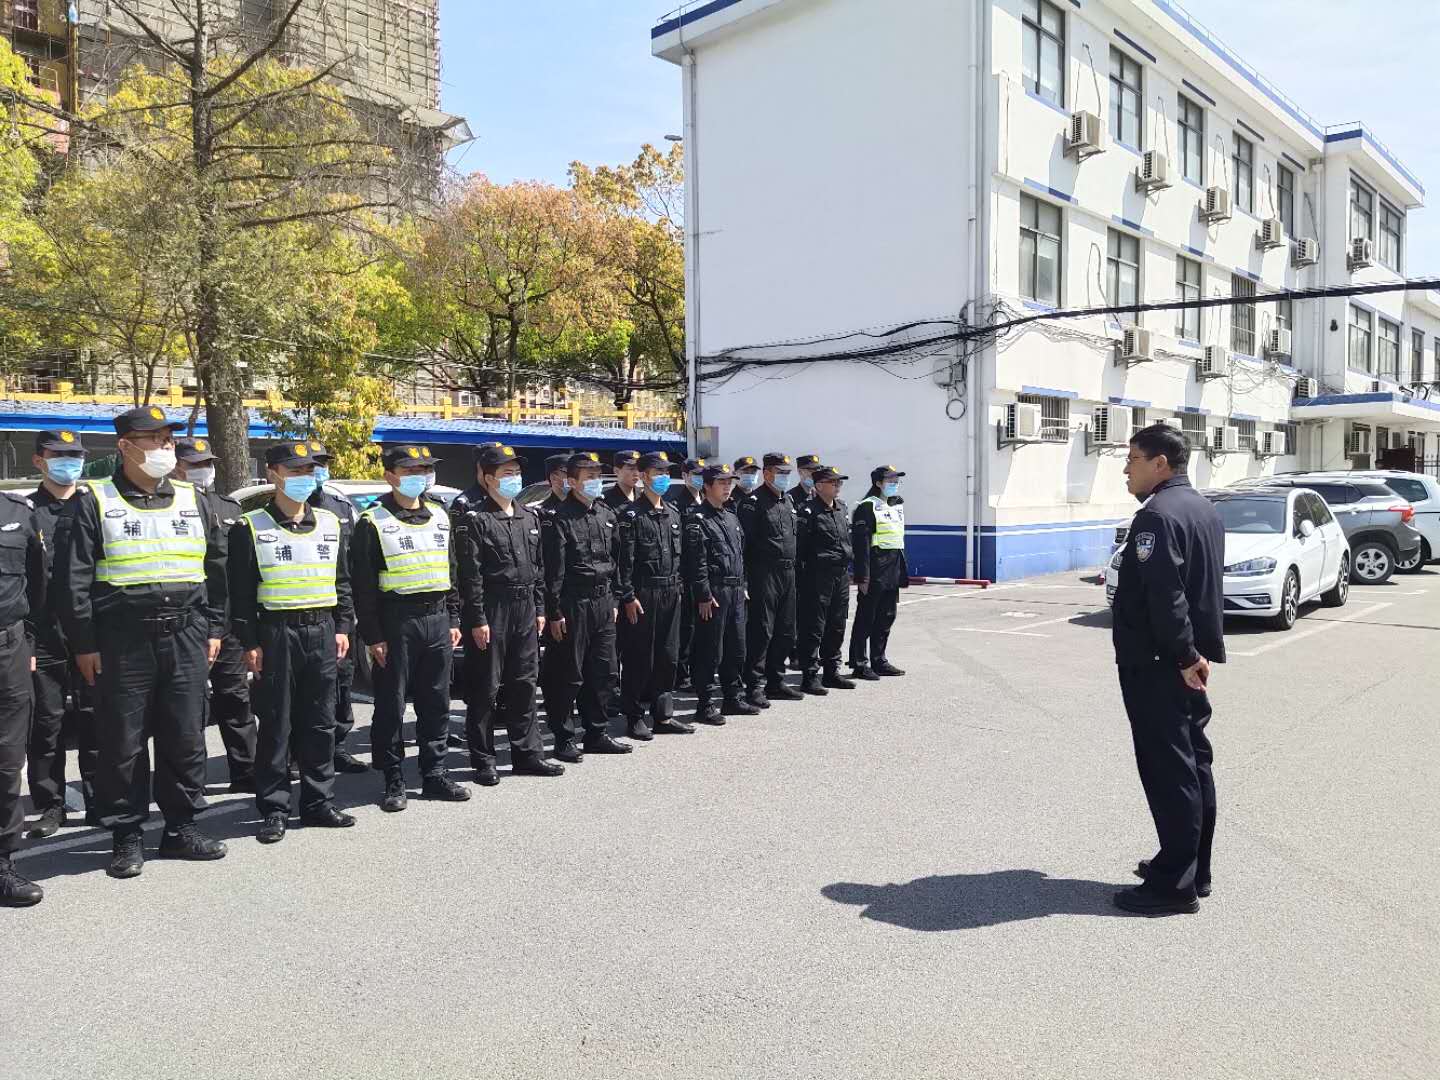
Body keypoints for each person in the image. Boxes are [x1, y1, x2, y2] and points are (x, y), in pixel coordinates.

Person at [57, 405, 230, 880]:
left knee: (185, 737)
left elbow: (217, 569)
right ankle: (126, 835)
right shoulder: (94, 500)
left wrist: (215, 629)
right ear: (125, 447)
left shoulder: (193, 499)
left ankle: (181, 828)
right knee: (123, 743)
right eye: (153, 439)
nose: (164, 446)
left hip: (186, 634)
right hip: (122, 640)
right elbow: (73, 580)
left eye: (168, 438)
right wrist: (84, 644)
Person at [1111, 424, 1224, 916]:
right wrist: (1193, 656)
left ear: (1160, 463)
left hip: (1162, 665)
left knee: (1169, 771)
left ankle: (1173, 887)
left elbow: (1167, 594)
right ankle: (1192, 869)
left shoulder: (1156, 516)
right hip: (1187, 662)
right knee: (1193, 765)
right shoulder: (1202, 508)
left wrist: (1181, 656)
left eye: (1132, 459)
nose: (1126, 469)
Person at [229, 443, 357, 843]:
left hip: (322, 630)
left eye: (309, 469)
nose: (305, 477)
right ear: (273, 474)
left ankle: (318, 801)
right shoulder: (250, 527)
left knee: (320, 721)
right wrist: (249, 642)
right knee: (276, 724)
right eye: (295, 469)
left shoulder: (330, 523)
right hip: (276, 634)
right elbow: (240, 592)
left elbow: (342, 580)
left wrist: (343, 627)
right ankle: (274, 808)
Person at [352, 444, 468, 811]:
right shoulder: (373, 521)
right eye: (410, 470)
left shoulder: (440, 515)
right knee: (392, 704)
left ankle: (434, 773)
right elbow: (363, 586)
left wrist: (453, 618)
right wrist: (373, 636)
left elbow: (451, 571)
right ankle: (393, 778)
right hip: (396, 621)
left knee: (437, 701)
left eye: (424, 469)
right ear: (390, 476)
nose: (420, 476)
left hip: (437, 619)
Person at [455, 444, 564, 785]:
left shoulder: (529, 517)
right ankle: (484, 759)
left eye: (516, 472)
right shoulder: (476, 519)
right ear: (488, 478)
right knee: (485, 688)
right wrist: (476, 619)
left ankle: (527, 754)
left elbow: (539, 568)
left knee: (525, 683)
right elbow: (469, 576)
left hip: (525, 608)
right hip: (492, 609)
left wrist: (540, 608)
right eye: (506, 473)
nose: (514, 478)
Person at [173, 437, 257, 793]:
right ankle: (191, 782)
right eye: (194, 464)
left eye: (206, 463)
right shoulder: (171, 508)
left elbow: (242, 571)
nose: (202, 470)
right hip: (188, 622)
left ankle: (246, 771)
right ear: (176, 466)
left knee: (235, 699)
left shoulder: (229, 508)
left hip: (227, 623)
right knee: (189, 707)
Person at [25, 430, 97, 837]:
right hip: (44, 632)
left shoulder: (96, 506)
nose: (70, 462)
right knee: (46, 723)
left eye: (76, 454)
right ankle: (51, 805)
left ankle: (99, 798)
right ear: (39, 460)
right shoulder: (26, 511)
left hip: (92, 630)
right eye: (60, 454)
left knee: (96, 717)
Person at [539, 451, 633, 762]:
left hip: (603, 602)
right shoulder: (558, 518)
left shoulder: (605, 513)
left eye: (597, 475)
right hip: (572, 603)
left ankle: (597, 733)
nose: (594, 481)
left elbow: (617, 561)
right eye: (588, 476)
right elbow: (553, 571)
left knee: (603, 671)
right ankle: (564, 737)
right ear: (572, 481)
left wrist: (616, 599)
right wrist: (554, 612)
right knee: (568, 674)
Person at [616, 451, 692, 740]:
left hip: (671, 591)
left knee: (668, 656)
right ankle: (634, 716)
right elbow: (624, 562)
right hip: (643, 595)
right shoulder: (631, 515)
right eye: (658, 473)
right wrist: (627, 596)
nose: (663, 478)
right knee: (639, 657)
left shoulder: (672, 513)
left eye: (666, 473)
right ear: (644, 476)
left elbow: (679, 557)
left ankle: (663, 715)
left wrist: (679, 587)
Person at [306, 441, 368, 776]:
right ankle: (298, 752)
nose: (317, 471)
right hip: (300, 611)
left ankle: (337, 747)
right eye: (310, 464)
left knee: (342, 681)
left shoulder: (341, 507)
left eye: (322, 464)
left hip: (339, 610)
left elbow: (355, 563)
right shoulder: (280, 508)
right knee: (306, 687)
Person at [0, 488, 48, 906]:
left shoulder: (17, 513)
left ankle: (2, 863)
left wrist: (28, 640)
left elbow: (37, 582)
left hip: (8, 650)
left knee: (6, 760)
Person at [684, 463, 756, 724]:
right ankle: (705, 704)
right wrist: (703, 595)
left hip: (735, 590)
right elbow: (696, 561)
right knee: (710, 650)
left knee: (737, 648)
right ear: (707, 486)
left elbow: (740, 554)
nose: (728, 487)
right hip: (714, 592)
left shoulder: (731, 516)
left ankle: (732, 698)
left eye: (730, 483)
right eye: (722, 483)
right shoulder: (697, 518)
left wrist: (743, 585)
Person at [737, 452, 802, 709]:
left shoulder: (787, 502)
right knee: (762, 631)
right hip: (763, 573)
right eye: (780, 472)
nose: (785, 477)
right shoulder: (753, 503)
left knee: (786, 630)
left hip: (788, 573)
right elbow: (744, 545)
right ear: (766, 474)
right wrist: (745, 580)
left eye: (787, 473)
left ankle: (776, 681)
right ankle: (754, 686)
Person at [795, 466, 856, 695]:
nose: (838, 486)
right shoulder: (808, 511)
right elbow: (800, 548)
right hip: (817, 576)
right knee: (814, 627)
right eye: (833, 482)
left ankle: (832, 671)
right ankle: (810, 676)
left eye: (840, 482)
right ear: (819, 486)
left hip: (840, 575)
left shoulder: (842, 508)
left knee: (837, 624)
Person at [848, 465, 909, 681]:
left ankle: (879, 659)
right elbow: (861, 545)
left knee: (886, 617)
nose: (894, 484)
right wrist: (862, 576)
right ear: (878, 483)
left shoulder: (896, 504)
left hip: (893, 568)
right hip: (875, 569)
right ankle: (859, 663)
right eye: (890, 480)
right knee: (866, 617)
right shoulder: (867, 507)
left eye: (896, 480)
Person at [664, 456, 707, 690]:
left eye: (702, 474)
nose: (700, 478)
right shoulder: (677, 504)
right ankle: (682, 674)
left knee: (702, 626)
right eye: (695, 474)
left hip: (703, 572)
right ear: (685, 476)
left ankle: (697, 668)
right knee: (686, 626)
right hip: (686, 573)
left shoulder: (706, 500)